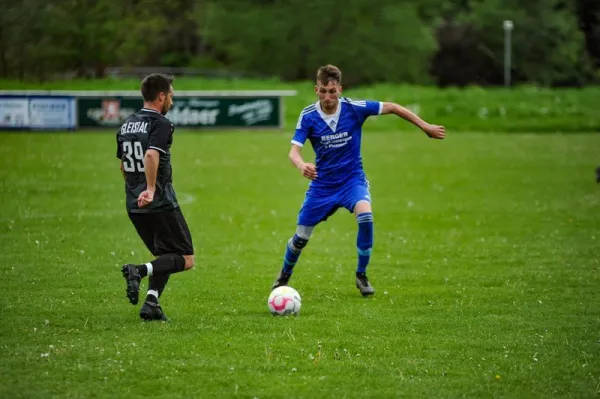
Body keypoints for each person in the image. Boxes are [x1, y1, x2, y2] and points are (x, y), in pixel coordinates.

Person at [271, 64, 446, 296]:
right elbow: (293, 151)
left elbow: (392, 107)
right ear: (316, 89)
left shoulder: (355, 108)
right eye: (323, 91)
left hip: (352, 180)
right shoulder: (308, 116)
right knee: (301, 237)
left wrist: (425, 126)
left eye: (332, 91)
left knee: (365, 216)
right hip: (322, 185)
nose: (328, 97)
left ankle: (361, 275)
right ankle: (284, 275)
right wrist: (302, 165)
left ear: (340, 90)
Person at [116, 73, 195, 321]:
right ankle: (137, 271)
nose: (171, 98)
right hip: (158, 201)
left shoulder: (127, 124)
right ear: (161, 96)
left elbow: (123, 167)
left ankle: (151, 304)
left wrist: (136, 192)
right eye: (170, 94)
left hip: (133, 204)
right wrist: (150, 190)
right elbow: (151, 155)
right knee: (185, 258)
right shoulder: (161, 123)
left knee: (166, 257)